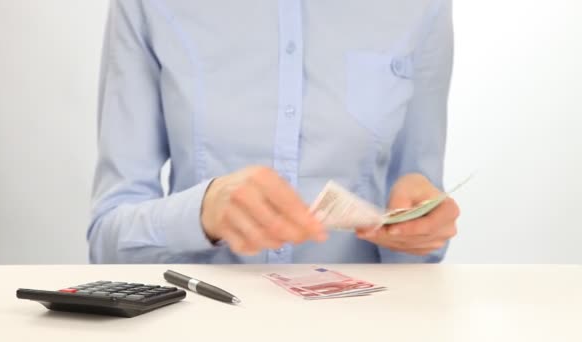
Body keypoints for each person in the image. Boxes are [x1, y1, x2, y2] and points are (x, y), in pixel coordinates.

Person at [87, 0, 459, 264]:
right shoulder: (148, 5)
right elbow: (107, 239)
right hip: (202, 323)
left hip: (359, 325)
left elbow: (421, 234)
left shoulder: (422, 6)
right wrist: (202, 213)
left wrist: (418, 230)